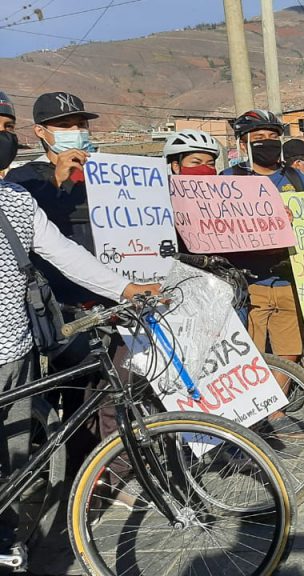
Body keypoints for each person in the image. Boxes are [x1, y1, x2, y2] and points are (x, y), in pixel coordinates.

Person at [0, 100, 157, 561]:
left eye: (6, 127)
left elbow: (66, 254)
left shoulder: (14, 201)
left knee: (15, 458)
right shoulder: (31, 184)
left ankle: (9, 537)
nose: (2, 136)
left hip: (15, 353)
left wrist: (127, 287)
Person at [222, 109, 304, 369]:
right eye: (258, 135)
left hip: (288, 279)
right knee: (251, 353)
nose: (267, 140)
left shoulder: (295, 178)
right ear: (243, 142)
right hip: (249, 283)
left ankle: (276, 409)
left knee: (290, 351)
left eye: (273, 135)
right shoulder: (228, 180)